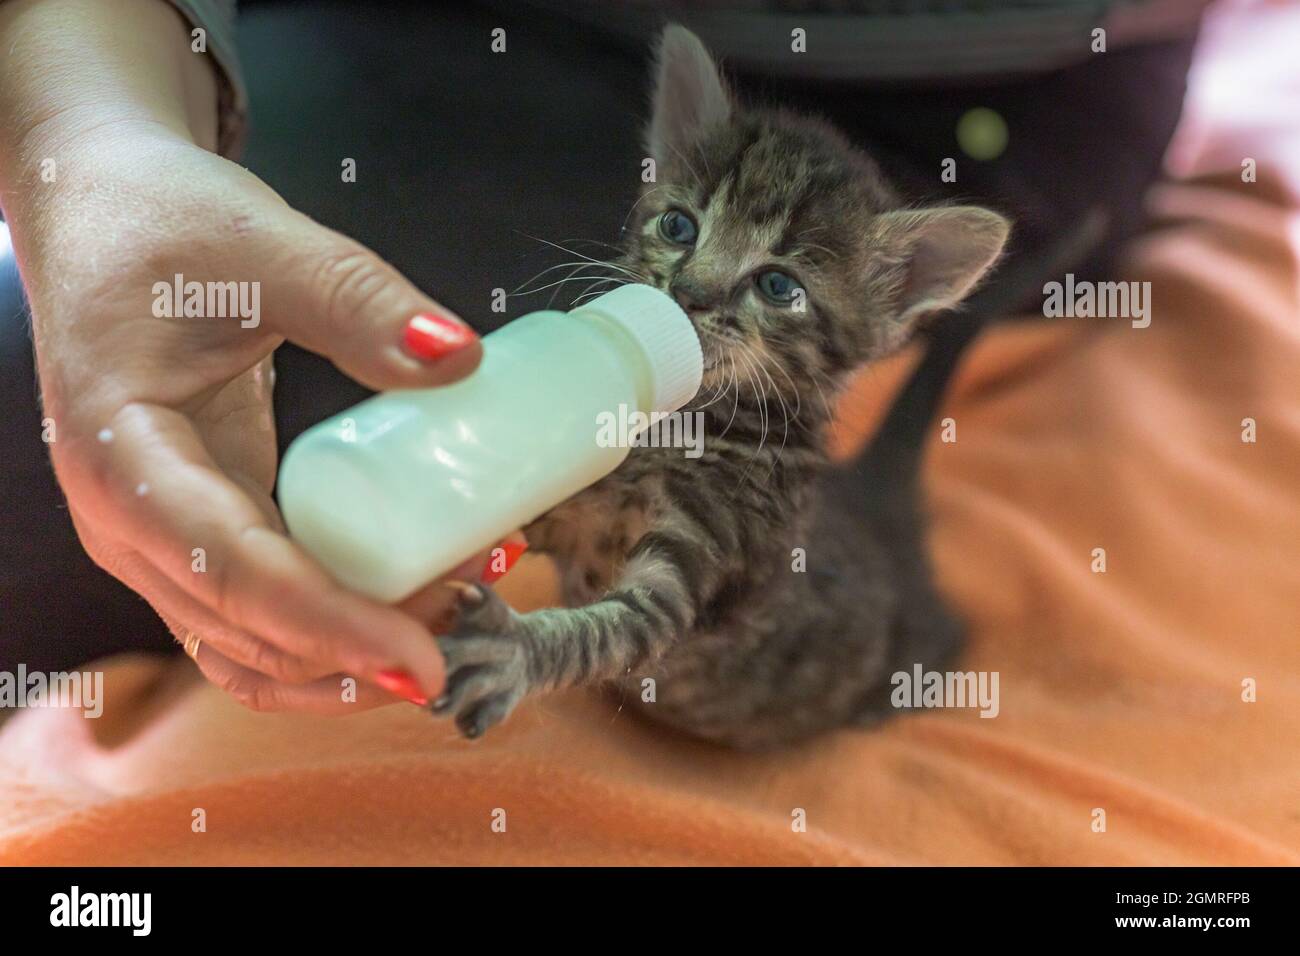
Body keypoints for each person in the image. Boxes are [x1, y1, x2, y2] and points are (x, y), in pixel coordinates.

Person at [0, 0, 1201, 713]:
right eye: (676, 238)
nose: (686, 290)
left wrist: (519, 649)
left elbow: (659, 602)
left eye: (769, 288)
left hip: (939, 88)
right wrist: (93, 133)